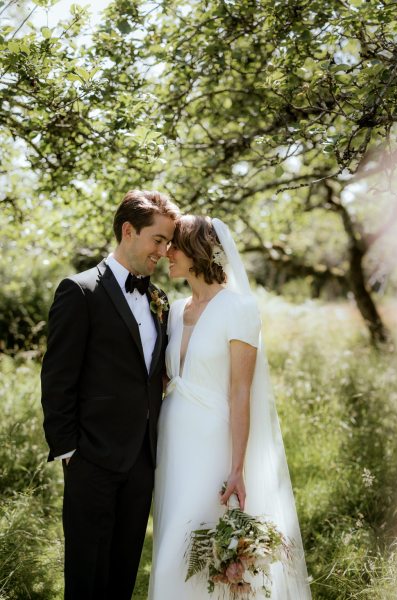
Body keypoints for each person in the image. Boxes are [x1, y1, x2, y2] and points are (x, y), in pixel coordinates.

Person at [148, 215, 312, 599]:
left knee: (200, 543)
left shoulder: (238, 307)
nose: (166, 253)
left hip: (214, 443)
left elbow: (241, 392)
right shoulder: (174, 309)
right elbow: (168, 378)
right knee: (173, 539)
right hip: (173, 442)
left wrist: (237, 468)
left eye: (174, 245)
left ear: (197, 251)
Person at [41, 189, 179, 600]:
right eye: (159, 239)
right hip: (91, 460)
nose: (164, 251)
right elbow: (57, 378)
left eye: (169, 243)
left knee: (122, 576)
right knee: (87, 578)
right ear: (128, 231)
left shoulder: (160, 299)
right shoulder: (79, 291)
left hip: (141, 461)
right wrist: (70, 453)